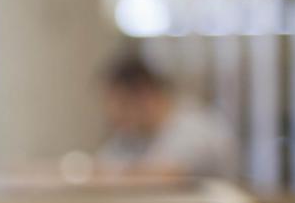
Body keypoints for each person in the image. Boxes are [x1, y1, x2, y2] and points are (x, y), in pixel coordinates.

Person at [95, 53, 237, 180]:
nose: (114, 116)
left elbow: (165, 175)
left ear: (143, 95)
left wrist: (113, 173)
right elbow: (99, 168)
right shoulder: (133, 136)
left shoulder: (197, 126)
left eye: (122, 105)